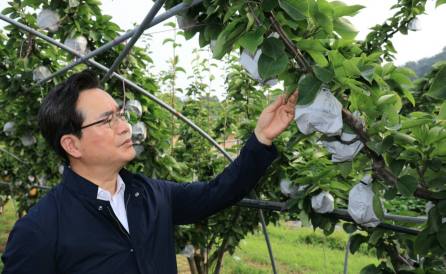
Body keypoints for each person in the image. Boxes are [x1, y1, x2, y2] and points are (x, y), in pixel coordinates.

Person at [1, 70, 298, 274]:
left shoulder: (151, 195)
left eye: (120, 114)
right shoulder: (40, 231)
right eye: (107, 121)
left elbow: (218, 192)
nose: (125, 126)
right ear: (72, 145)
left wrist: (261, 138)